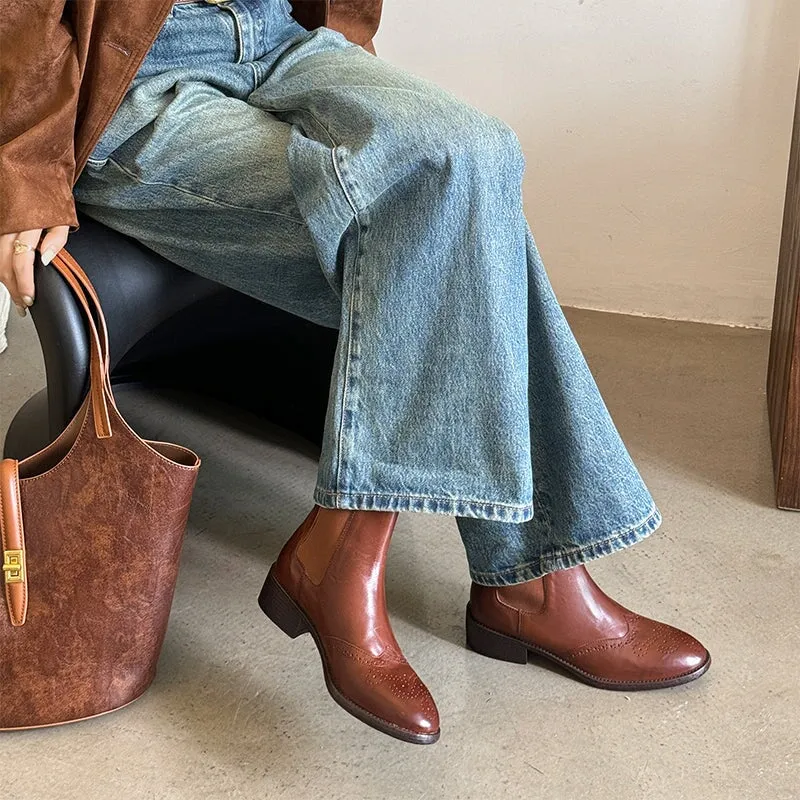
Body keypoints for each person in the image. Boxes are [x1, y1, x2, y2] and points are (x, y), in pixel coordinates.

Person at [0, 0, 710, 746]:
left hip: (284, 35)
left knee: (476, 155)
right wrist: (22, 163)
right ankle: (531, 580)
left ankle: (345, 546)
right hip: (124, 77)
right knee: (445, 218)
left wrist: (342, 33)